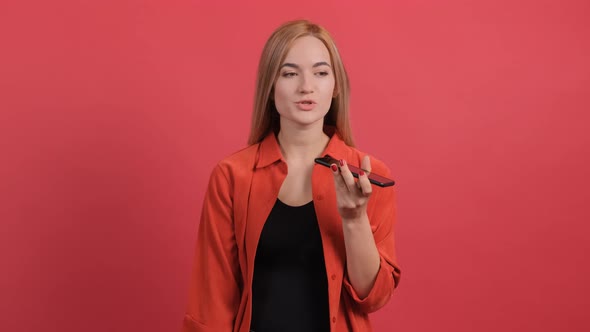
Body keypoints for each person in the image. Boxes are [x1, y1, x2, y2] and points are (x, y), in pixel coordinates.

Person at [182, 20, 401, 332]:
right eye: (289, 73)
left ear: (335, 86)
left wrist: (354, 219)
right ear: (270, 86)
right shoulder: (231, 176)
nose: (306, 86)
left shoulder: (369, 175)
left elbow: (373, 296)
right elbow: (211, 301)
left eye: (321, 72)